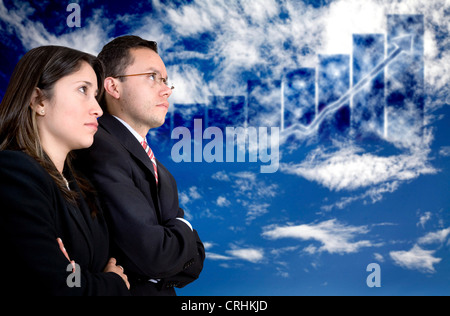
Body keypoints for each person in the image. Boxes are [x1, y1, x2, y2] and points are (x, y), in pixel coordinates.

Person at [75, 35, 205, 296]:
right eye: (152, 77)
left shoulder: (163, 173)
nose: (166, 89)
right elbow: (154, 254)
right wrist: (186, 227)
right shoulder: (97, 145)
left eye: (166, 81)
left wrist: (172, 244)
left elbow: (194, 265)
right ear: (113, 87)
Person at [0, 45, 130, 296]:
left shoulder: (83, 188)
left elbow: (79, 277)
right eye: (83, 90)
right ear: (38, 101)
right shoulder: (12, 172)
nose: (98, 109)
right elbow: (62, 287)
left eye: (96, 95)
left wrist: (82, 276)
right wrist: (112, 283)